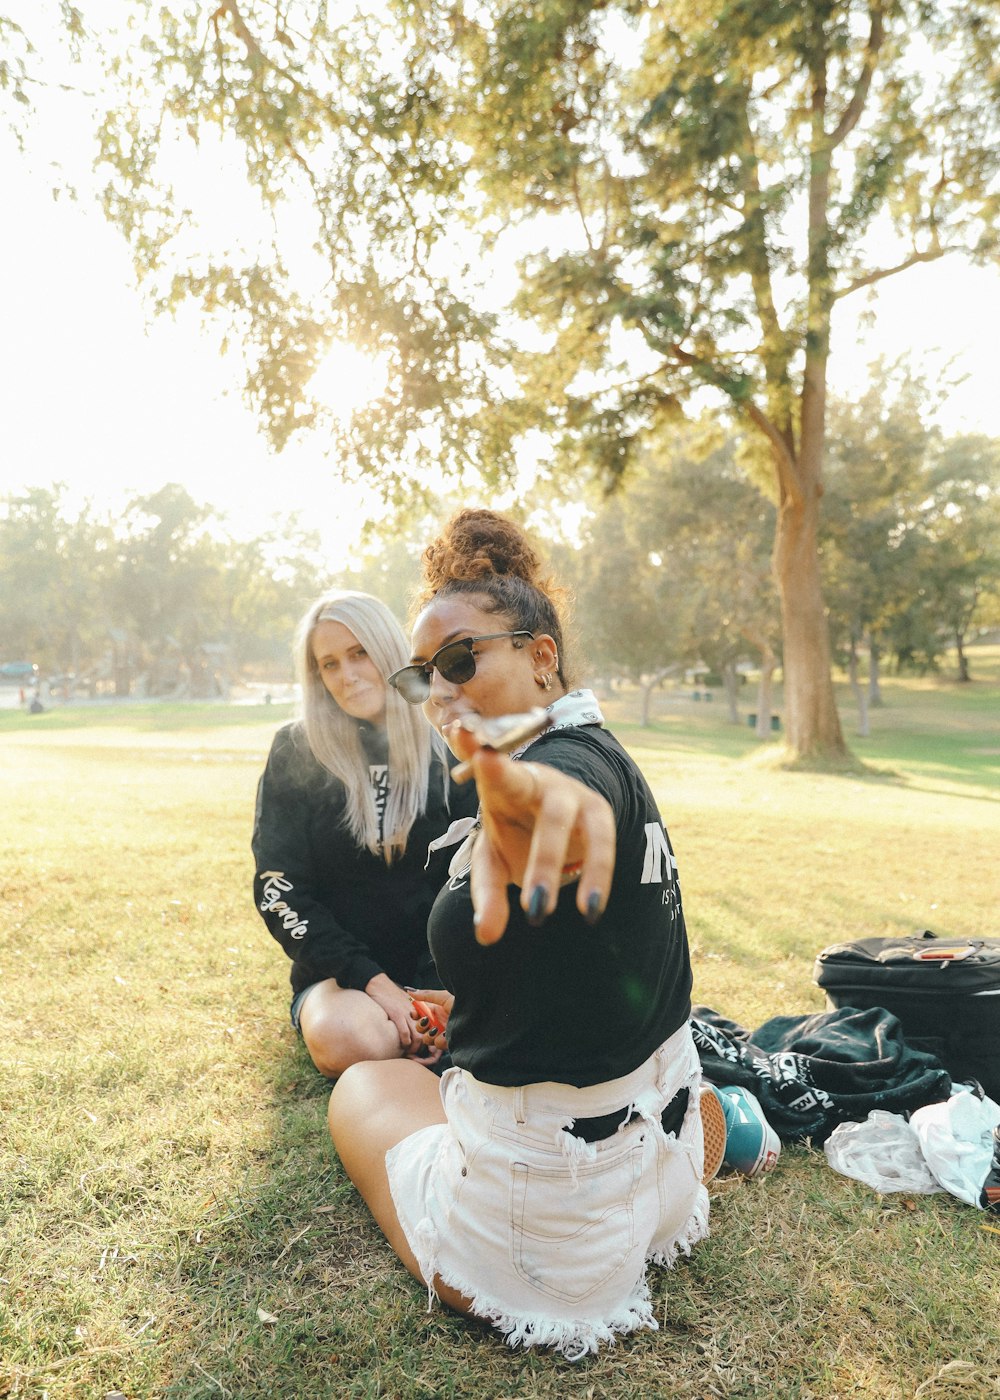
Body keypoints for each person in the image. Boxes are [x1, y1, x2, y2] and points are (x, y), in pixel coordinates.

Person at [328, 511, 729, 1359]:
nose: (439, 694)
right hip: (659, 1153)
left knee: (362, 1089)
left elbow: (571, 805)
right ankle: (717, 1136)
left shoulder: (567, 772)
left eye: (461, 662)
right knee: (435, 1078)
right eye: (421, 678)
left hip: (547, 1232)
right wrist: (476, 997)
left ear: (542, 656)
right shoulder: (604, 747)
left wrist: (557, 807)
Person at [251, 589, 478, 1079]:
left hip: (440, 976)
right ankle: (405, 1044)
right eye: (328, 664)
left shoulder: (450, 745)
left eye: (359, 654)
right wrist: (372, 982)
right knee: (352, 1039)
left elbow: (468, 887)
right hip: (343, 981)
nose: (347, 675)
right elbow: (279, 888)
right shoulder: (296, 749)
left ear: (389, 652)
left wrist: (432, 998)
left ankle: (426, 1038)